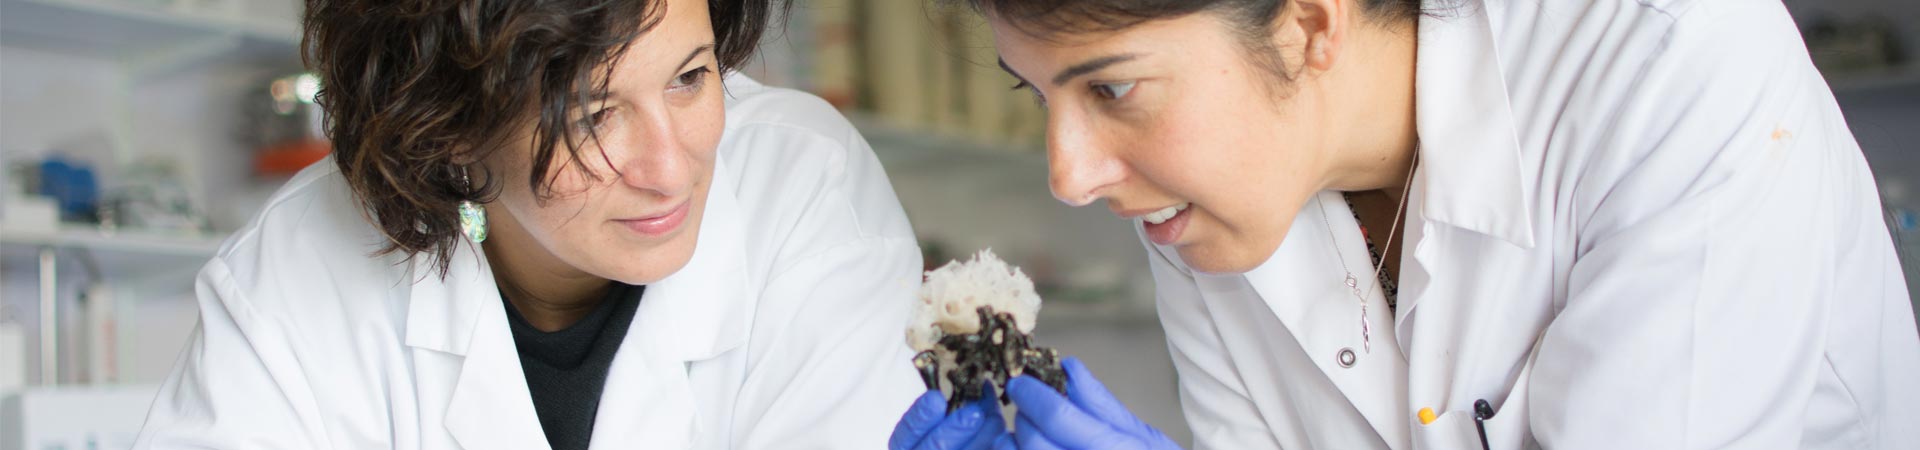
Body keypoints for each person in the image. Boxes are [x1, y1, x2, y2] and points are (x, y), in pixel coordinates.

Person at [891, 0, 1920, 449]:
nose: (1070, 177)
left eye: (1111, 91)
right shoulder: (1208, 206)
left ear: (1310, 22)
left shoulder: (1664, 69)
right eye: (1039, 96)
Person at [135, 0, 925, 447]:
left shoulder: (802, 185)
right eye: (590, 115)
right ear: (450, 130)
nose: (669, 166)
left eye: (690, 78)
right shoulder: (295, 268)